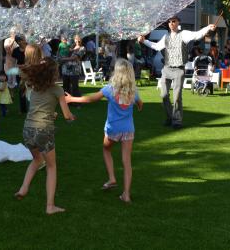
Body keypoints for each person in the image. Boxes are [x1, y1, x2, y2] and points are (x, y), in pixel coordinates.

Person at [65, 59, 143, 203]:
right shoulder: (133, 92)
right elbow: (140, 103)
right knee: (127, 162)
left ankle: (112, 178)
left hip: (113, 129)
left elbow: (89, 99)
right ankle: (126, 195)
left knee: (106, 150)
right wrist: (139, 107)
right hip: (128, 130)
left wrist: (71, 99)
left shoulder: (110, 89)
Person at [14, 57, 75, 215]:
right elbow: (67, 115)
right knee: (51, 166)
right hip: (43, 131)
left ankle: (23, 188)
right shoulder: (57, 90)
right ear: (54, 73)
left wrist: (52, 114)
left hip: (28, 129)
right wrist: (71, 117)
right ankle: (50, 206)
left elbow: (41, 108)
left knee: (36, 160)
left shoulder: (35, 87)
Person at [138, 16, 215, 129]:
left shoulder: (184, 34)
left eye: (173, 21)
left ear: (178, 22)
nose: (171, 23)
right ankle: (170, 117)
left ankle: (177, 121)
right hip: (167, 69)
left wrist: (208, 27)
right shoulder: (166, 37)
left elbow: (197, 34)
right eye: (169, 22)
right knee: (164, 95)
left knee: (177, 96)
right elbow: (156, 46)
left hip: (179, 69)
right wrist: (144, 41)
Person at [61, 35, 85, 99]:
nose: (77, 40)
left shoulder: (82, 48)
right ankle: (67, 101)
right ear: (74, 40)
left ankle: (77, 103)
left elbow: (75, 58)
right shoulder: (71, 47)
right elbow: (62, 53)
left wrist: (64, 59)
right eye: (76, 39)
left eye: (79, 39)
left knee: (75, 87)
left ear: (81, 40)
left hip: (74, 70)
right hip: (65, 69)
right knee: (65, 87)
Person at [12, 36, 28, 114]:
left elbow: (33, 59)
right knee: (22, 89)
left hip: (30, 71)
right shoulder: (15, 51)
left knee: (31, 89)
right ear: (18, 42)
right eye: (21, 40)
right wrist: (19, 66)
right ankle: (23, 109)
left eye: (24, 39)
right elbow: (13, 62)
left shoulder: (29, 48)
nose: (24, 41)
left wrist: (26, 65)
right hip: (20, 72)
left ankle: (33, 108)